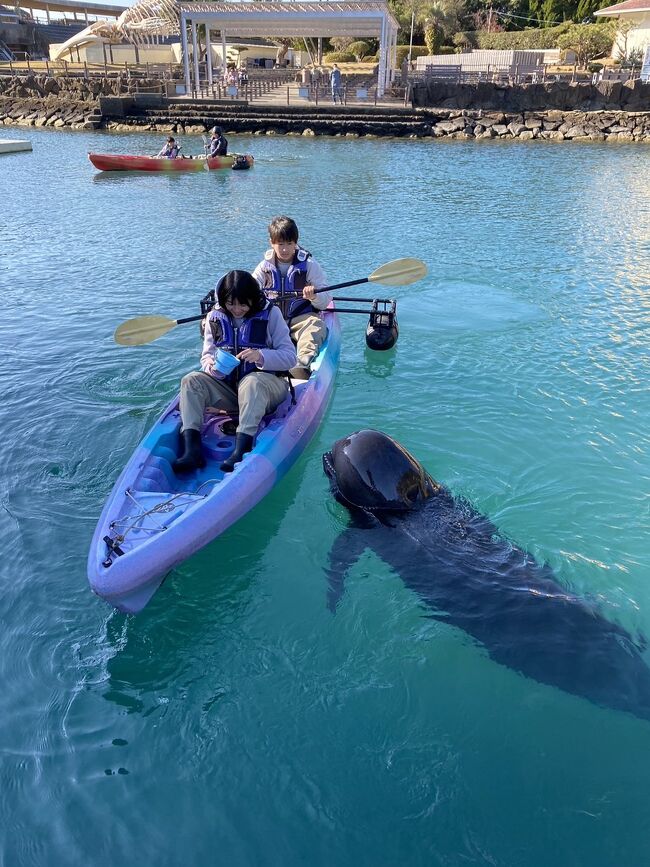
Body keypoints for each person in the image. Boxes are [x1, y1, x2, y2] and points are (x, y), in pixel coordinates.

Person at [174, 270, 297, 475]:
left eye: (243, 304)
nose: (237, 309)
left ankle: (242, 449)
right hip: (232, 391)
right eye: (231, 303)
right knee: (191, 380)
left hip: (267, 389)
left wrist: (260, 356)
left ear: (253, 300)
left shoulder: (271, 314)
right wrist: (212, 367)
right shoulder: (214, 317)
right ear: (223, 300)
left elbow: (290, 357)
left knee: (252, 383)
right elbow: (207, 355)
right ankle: (191, 449)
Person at [252, 216, 331, 380]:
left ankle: (300, 365)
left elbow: (325, 301)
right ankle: (256, 363)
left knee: (315, 326)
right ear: (271, 243)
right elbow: (250, 292)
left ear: (296, 242)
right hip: (272, 319)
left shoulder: (309, 265)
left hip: (300, 318)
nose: (285, 249)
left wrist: (314, 295)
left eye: (289, 244)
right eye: (280, 244)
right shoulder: (263, 267)